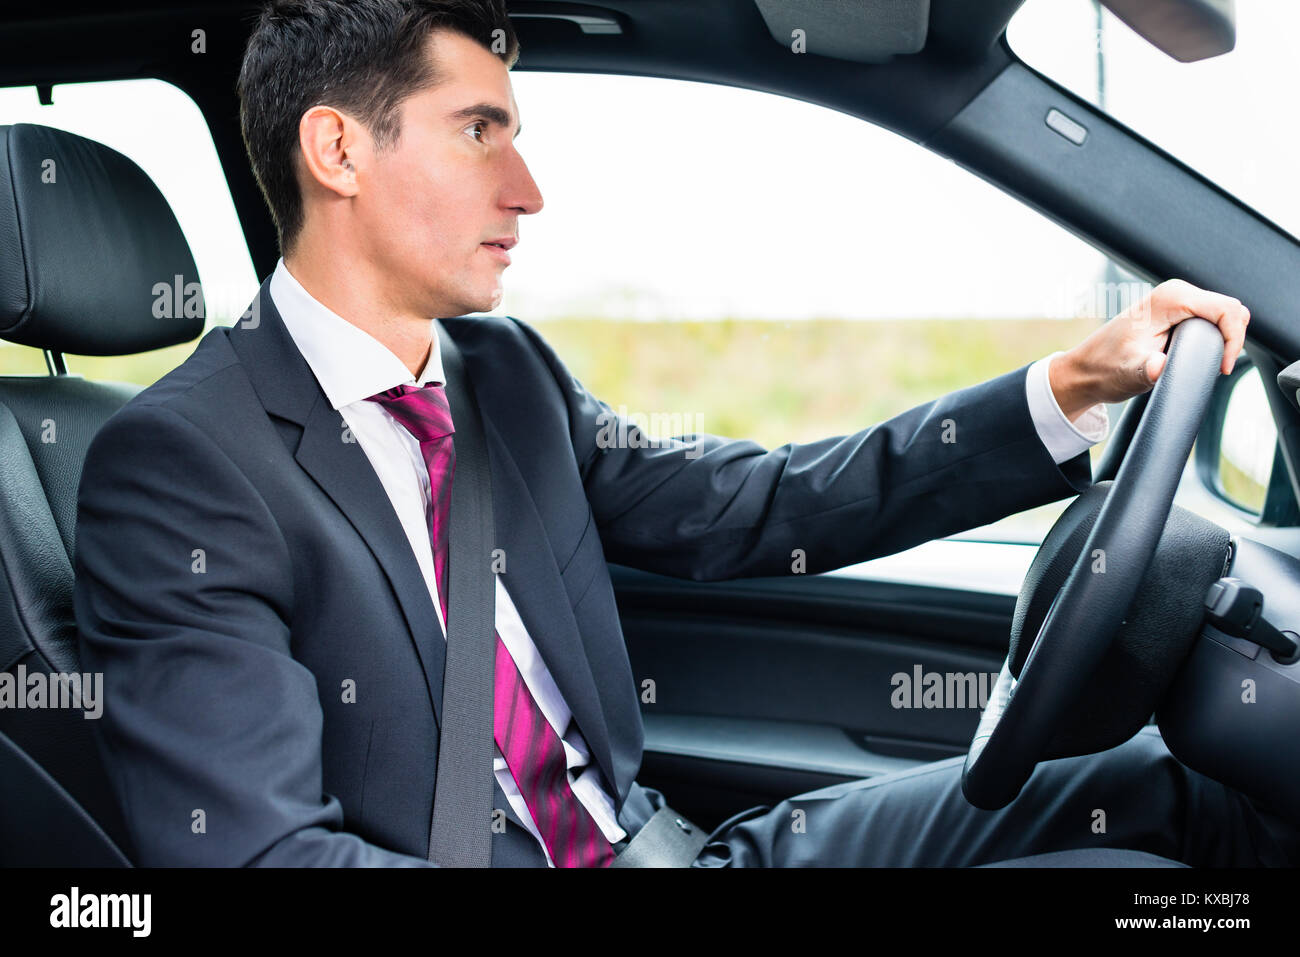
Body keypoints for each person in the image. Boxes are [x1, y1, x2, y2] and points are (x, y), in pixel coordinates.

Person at [74, 0, 1279, 867]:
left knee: (1161, 798)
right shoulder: (180, 467)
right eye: (480, 132)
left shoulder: (500, 373)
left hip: (675, 850)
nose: (528, 189)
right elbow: (260, 854)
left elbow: (758, 505)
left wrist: (1062, 390)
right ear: (338, 149)